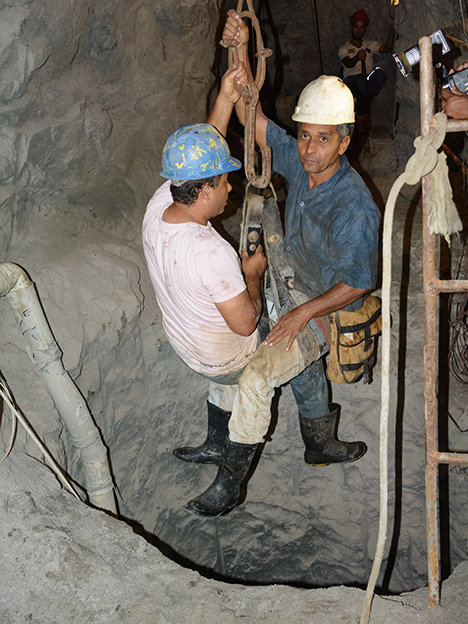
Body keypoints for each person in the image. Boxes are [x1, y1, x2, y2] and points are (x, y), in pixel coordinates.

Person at [338, 9, 395, 115]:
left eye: (361, 27)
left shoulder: (370, 45)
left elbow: (387, 49)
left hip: (367, 80)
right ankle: (364, 106)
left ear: (365, 30)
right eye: (356, 26)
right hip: (351, 80)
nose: (358, 30)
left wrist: (392, 32)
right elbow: (347, 63)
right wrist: (357, 57)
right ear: (351, 28)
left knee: (380, 74)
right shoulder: (344, 48)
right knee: (357, 86)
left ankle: (362, 105)